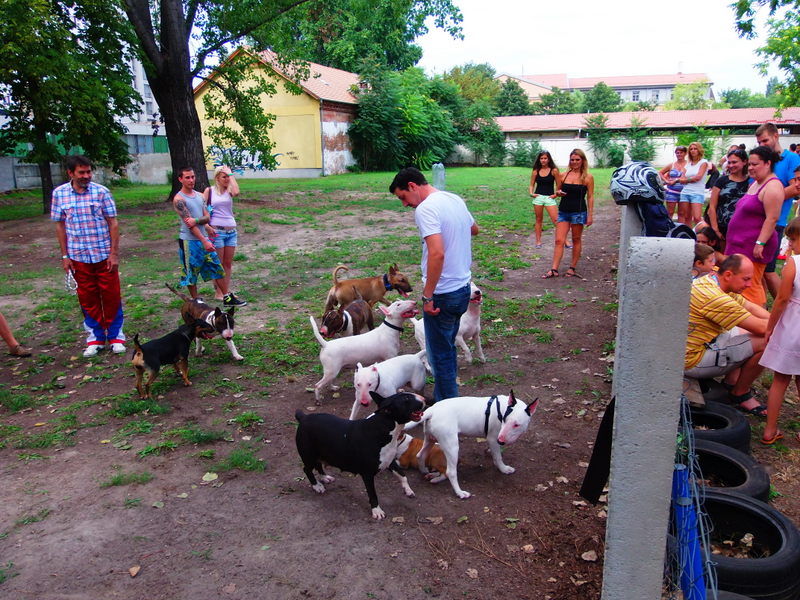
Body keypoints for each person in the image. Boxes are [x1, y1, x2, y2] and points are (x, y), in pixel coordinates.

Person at [390, 167, 478, 404]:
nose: (405, 204)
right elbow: (474, 229)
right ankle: (445, 397)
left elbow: (437, 253)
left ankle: (447, 408)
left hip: (443, 293)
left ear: (412, 186)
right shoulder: (453, 199)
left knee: (440, 356)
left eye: (403, 197)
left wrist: (427, 296)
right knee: (447, 347)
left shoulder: (426, 208)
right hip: (462, 288)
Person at [51, 155, 126, 358]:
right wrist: (65, 255)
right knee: (87, 298)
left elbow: (113, 223)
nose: (86, 176)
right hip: (78, 256)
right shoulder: (59, 194)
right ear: (70, 173)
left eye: (88, 172)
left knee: (110, 295)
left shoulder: (102, 192)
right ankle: (95, 338)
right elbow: (59, 225)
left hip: (103, 254)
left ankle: (116, 337)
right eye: (81, 172)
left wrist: (114, 253)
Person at [684, 254, 769, 416]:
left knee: (748, 332)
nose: (749, 284)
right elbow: (763, 328)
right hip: (692, 360)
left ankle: (731, 382)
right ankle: (740, 393)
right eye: (746, 279)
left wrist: (779, 322)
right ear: (729, 275)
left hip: (694, 343)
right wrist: (789, 327)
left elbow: (750, 307)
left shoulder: (712, 279)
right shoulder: (716, 298)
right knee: (767, 341)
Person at [724, 146, 784, 306]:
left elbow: (772, 218)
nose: (750, 168)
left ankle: (761, 322)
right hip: (738, 245)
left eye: (754, 164)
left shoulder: (773, 186)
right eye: (749, 164)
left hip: (753, 248)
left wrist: (760, 243)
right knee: (738, 286)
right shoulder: (756, 183)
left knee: (749, 286)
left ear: (767, 163)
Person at [759, 217, 800, 444]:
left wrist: (770, 327)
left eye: (793, 240)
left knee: (780, 379)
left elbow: (782, 299)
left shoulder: (794, 263)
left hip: (793, 325)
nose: (791, 245)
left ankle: (770, 430)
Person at [754, 123, 800, 300]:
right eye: (759, 142)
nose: (762, 145)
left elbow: (795, 188)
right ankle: (763, 305)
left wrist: (769, 196)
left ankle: (787, 306)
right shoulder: (766, 162)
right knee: (761, 270)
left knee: (769, 270)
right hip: (759, 220)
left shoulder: (791, 159)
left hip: (776, 220)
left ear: (776, 136)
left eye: (765, 140)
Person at [173, 167, 226, 300]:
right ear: (180, 179)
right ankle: (195, 301)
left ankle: (227, 296)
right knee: (191, 272)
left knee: (216, 267)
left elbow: (206, 217)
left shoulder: (200, 196)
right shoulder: (179, 199)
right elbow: (189, 225)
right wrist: (204, 240)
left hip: (204, 238)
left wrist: (205, 226)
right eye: (187, 177)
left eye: (193, 177)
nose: (191, 180)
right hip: (189, 241)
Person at [542, 149, 594, 279]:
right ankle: (554, 269)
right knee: (559, 240)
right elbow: (558, 191)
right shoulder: (563, 175)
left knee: (576, 239)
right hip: (564, 211)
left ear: (582, 161)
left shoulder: (587, 177)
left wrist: (590, 215)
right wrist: (558, 194)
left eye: (577, 160)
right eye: (572, 160)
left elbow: (590, 197)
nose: (575, 162)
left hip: (579, 212)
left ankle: (572, 268)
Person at [204, 165, 246, 307]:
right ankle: (219, 292)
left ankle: (226, 291)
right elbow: (202, 210)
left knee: (227, 263)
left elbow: (237, 191)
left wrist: (230, 173)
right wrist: (206, 226)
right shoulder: (209, 191)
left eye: (228, 177)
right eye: (224, 176)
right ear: (217, 178)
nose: (227, 179)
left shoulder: (229, 191)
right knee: (218, 264)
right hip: (217, 232)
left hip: (231, 232)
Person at [707, 148, 750, 240]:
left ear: (744, 162)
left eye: (734, 162)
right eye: (729, 162)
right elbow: (712, 207)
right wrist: (715, 229)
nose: (730, 165)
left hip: (742, 228)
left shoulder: (751, 182)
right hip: (721, 227)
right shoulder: (722, 180)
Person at [528, 151, 560, 249]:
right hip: (538, 198)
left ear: (549, 159)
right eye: (541, 158)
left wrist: (556, 195)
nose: (543, 160)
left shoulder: (554, 170)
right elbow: (532, 184)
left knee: (556, 220)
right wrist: (531, 193)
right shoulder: (535, 171)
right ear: (539, 159)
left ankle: (564, 240)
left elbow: (559, 184)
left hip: (549, 198)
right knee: (538, 220)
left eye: (545, 158)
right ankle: (538, 241)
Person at [678, 142, 709, 228]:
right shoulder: (688, 164)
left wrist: (686, 180)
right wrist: (686, 180)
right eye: (691, 149)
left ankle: (702, 234)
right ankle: (690, 235)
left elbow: (698, 177)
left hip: (697, 192)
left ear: (699, 150)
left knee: (697, 217)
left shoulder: (703, 162)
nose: (693, 151)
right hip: (685, 192)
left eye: (695, 148)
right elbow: (681, 178)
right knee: (687, 217)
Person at [659, 146, 687, 220]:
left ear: (685, 153)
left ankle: (681, 229)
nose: (679, 154)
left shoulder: (689, 164)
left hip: (684, 192)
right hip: (672, 191)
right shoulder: (672, 165)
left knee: (682, 213)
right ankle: (668, 228)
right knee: (670, 212)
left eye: (681, 152)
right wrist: (666, 181)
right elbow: (660, 172)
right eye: (677, 153)